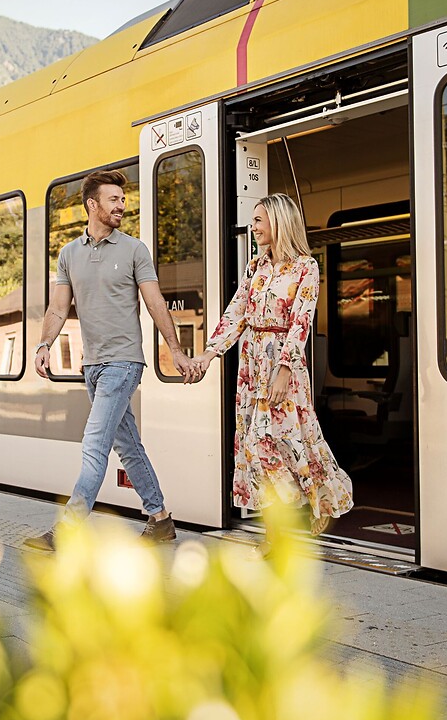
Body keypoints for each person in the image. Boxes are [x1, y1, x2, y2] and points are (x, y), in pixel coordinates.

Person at [24, 169, 200, 551]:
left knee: (95, 441)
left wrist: (175, 349)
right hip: (93, 366)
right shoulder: (69, 254)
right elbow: (58, 308)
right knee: (127, 445)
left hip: (123, 363)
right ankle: (160, 519)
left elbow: (155, 302)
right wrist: (43, 345)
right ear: (93, 205)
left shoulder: (134, 249)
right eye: (114, 200)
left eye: (123, 199)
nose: (122, 205)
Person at [194, 193, 353, 550]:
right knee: (260, 445)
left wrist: (284, 369)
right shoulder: (255, 267)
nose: (253, 227)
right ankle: (277, 529)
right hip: (252, 363)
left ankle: (313, 498)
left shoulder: (305, 267)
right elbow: (237, 313)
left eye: (258, 221)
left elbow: (301, 323)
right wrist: (209, 354)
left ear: (278, 223)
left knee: (277, 442)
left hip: (284, 364)